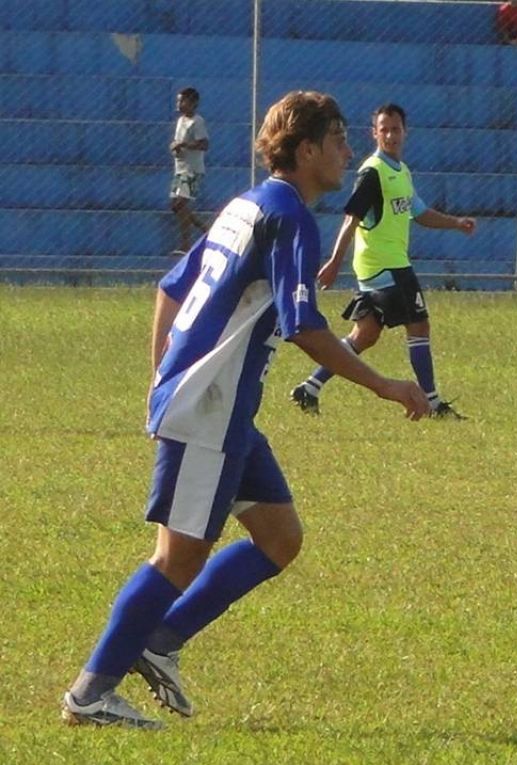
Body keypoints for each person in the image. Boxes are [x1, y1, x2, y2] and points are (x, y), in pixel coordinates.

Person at [60, 91, 430, 729]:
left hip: (225, 409)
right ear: (307, 149)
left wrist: (160, 375)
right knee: (177, 558)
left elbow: (170, 287)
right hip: (211, 408)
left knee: (280, 538)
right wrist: (384, 384)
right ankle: (91, 693)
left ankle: (162, 641)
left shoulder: (246, 204)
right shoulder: (288, 214)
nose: (348, 151)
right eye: (339, 139)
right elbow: (305, 326)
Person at [291, 103, 475, 418]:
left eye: (395, 129)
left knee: (366, 334)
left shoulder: (400, 172)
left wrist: (455, 222)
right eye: (384, 129)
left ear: (405, 132)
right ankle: (432, 403)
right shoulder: (373, 172)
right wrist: (335, 260)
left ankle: (309, 387)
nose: (390, 135)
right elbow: (352, 217)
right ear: (374, 133)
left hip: (381, 264)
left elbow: (419, 212)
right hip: (385, 264)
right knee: (419, 325)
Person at [169, 87, 210, 254]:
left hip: (191, 170)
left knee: (180, 204)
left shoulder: (197, 121)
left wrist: (184, 145)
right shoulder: (181, 121)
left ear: (193, 103)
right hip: (180, 169)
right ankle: (207, 230)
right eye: (178, 101)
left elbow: (204, 144)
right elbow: (178, 141)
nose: (179, 104)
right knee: (176, 206)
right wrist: (175, 147)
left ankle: (185, 245)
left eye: (182, 101)